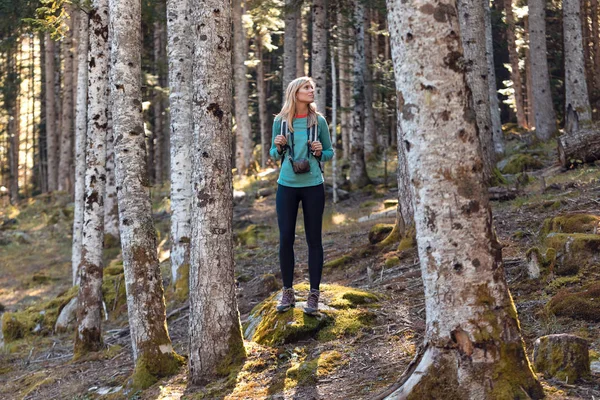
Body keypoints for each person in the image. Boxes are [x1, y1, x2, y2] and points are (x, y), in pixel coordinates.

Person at [270, 77, 334, 315]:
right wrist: (277, 146)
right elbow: (273, 153)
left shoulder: (318, 121)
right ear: (295, 92)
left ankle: (314, 294)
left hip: (313, 185)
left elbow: (329, 152)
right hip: (286, 185)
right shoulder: (280, 121)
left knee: (313, 239)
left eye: (312, 88)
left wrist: (321, 151)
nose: (311, 91)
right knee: (286, 237)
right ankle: (288, 291)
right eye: (307, 88)